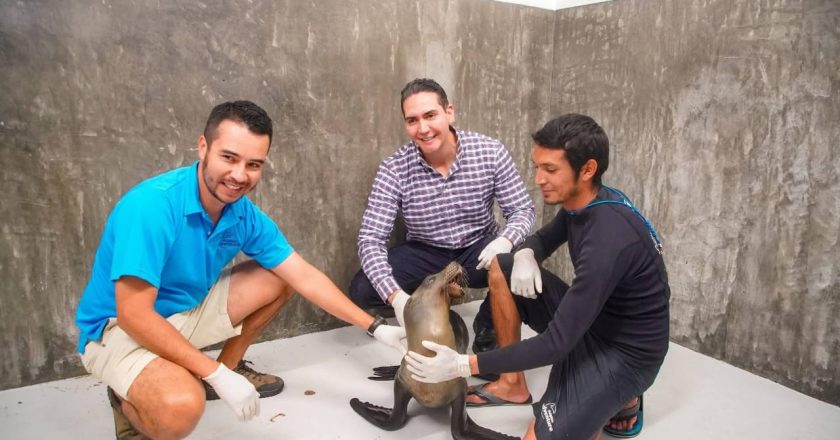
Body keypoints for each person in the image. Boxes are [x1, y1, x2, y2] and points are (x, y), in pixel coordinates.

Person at [74, 101, 406, 440]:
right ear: (203, 147)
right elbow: (134, 316)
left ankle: (229, 367)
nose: (239, 175)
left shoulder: (241, 213)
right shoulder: (152, 206)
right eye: (228, 158)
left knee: (279, 276)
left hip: (186, 311)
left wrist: (376, 328)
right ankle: (127, 403)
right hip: (118, 330)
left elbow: (303, 275)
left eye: (253, 164)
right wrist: (213, 372)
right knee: (182, 406)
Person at [404, 114, 670, 440]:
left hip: (624, 354)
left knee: (538, 436)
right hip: (592, 323)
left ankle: (622, 392)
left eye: (551, 169)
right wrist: (527, 253)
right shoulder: (583, 203)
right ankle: (512, 383)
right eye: (537, 166)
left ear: (587, 169)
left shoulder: (608, 239)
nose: (539, 179)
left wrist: (463, 365)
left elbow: (556, 344)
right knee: (504, 265)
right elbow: (543, 239)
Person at [349, 78, 535, 354]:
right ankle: (427, 312)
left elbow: (522, 210)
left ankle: (488, 323)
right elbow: (371, 239)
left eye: (430, 115)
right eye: (412, 120)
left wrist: (505, 241)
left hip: (478, 248)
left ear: (449, 112)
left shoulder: (490, 152)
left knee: (521, 260)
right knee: (362, 288)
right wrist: (397, 298)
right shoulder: (394, 169)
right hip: (426, 252)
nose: (422, 128)